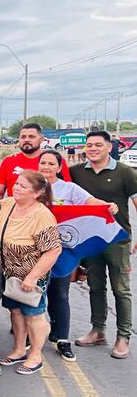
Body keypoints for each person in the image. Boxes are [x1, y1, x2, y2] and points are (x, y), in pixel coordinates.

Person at [38, 150, 116, 362]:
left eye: (50, 163)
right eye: (42, 163)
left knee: (60, 294)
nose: (46, 167)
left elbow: (91, 201)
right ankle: (31, 337)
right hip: (34, 250)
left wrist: (108, 206)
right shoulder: (31, 187)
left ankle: (61, 338)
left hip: (62, 251)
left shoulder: (69, 188)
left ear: (59, 167)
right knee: (33, 295)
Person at [70, 131, 137, 359]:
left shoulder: (124, 172)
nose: (93, 149)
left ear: (109, 147)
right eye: (89, 145)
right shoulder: (76, 172)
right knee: (96, 286)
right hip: (90, 240)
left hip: (117, 240)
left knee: (121, 289)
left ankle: (123, 336)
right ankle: (98, 330)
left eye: (98, 145)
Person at [0, 170, 61, 375]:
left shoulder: (42, 215)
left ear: (37, 193)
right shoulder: (8, 203)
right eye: (17, 184)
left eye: (23, 186)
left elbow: (53, 250)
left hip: (30, 276)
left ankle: (35, 355)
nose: (16, 188)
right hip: (9, 273)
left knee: (33, 315)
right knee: (16, 312)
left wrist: (32, 277)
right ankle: (20, 349)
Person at [0, 123, 71, 200]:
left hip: (47, 210)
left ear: (41, 139)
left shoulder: (55, 160)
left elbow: (68, 191)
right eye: (23, 137)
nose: (27, 140)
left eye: (31, 137)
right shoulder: (8, 161)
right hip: (17, 210)